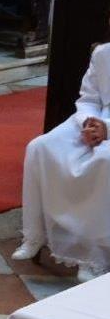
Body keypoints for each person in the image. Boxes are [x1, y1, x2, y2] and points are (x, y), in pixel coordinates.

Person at [13, 41, 110, 282]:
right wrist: (88, 122)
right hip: (97, 121)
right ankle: (36, 234)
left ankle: (93, 255)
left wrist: (106, 129)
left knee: (103, 161)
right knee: (40, 147)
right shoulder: (103, 53)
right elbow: (88, 98)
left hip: (107, 127)